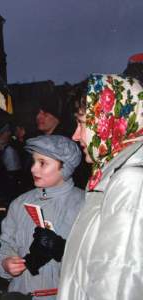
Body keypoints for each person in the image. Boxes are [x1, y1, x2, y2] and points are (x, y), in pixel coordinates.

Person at [58, 74, 143, 300]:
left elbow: (118, 284)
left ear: (112, 120)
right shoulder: (107, 178)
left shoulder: (130, 182)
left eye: (83, 123)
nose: (75, 135)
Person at [0, 135, 84, 299]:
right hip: (20, 291)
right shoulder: (20, 203)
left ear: (65, 168)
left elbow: (92, 264)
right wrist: (6, 263)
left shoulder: (83, 205)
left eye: (42, 163)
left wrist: (62, 251)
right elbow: (7, 244)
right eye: (34, 161)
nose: (33, 169)